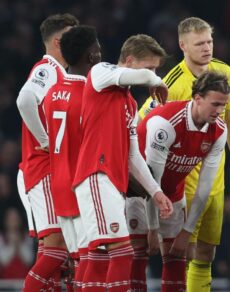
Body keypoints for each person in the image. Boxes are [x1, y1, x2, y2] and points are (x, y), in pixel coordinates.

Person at [138, 17, 230, 292]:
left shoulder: (225, 73)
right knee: (182, 251)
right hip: (183, 176)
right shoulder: (172, 83)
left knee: (207, 254)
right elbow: (144, 123)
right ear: (183, 46)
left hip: (214, 173)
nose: (207, 48)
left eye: (210, 41)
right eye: (200, 43)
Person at [72, 34, 173, 291]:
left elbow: (133, 156)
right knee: (122, 251)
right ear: (129, 60)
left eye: (156, 69)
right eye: (149, 67)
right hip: (96, 174)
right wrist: (156, 80)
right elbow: (141, 77)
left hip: (112, 183)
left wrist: (156, 191)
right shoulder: (100, 73)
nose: (152, 74)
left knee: (96, 258)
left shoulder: (128, 102)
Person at [127, 71, 229, 291]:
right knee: (139, 253)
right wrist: (153, 228)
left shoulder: (219, 130)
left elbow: (204, 187)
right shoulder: (166, 124)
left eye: (223, 105)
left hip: (173, 192)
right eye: (215, 104)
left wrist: (187, 232)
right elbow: (152, 180)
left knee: (177, 256)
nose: (220, 111)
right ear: (197, 98)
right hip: (136, 190)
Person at [16, 13, 79, 291]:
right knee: (57, 247)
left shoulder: (63, 73)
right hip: (42, 169)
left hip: (51, 170)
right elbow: (25, 99)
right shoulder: (48, 68)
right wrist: (45, 140)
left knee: (54, 253)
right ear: (58, 41)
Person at [43, 25, 101, 290]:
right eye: (97, 51)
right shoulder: (90, 96)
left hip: (58, 184)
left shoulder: (52, 92)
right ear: (91, 57)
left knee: (77, 260)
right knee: (91, 261)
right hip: (81, 185)